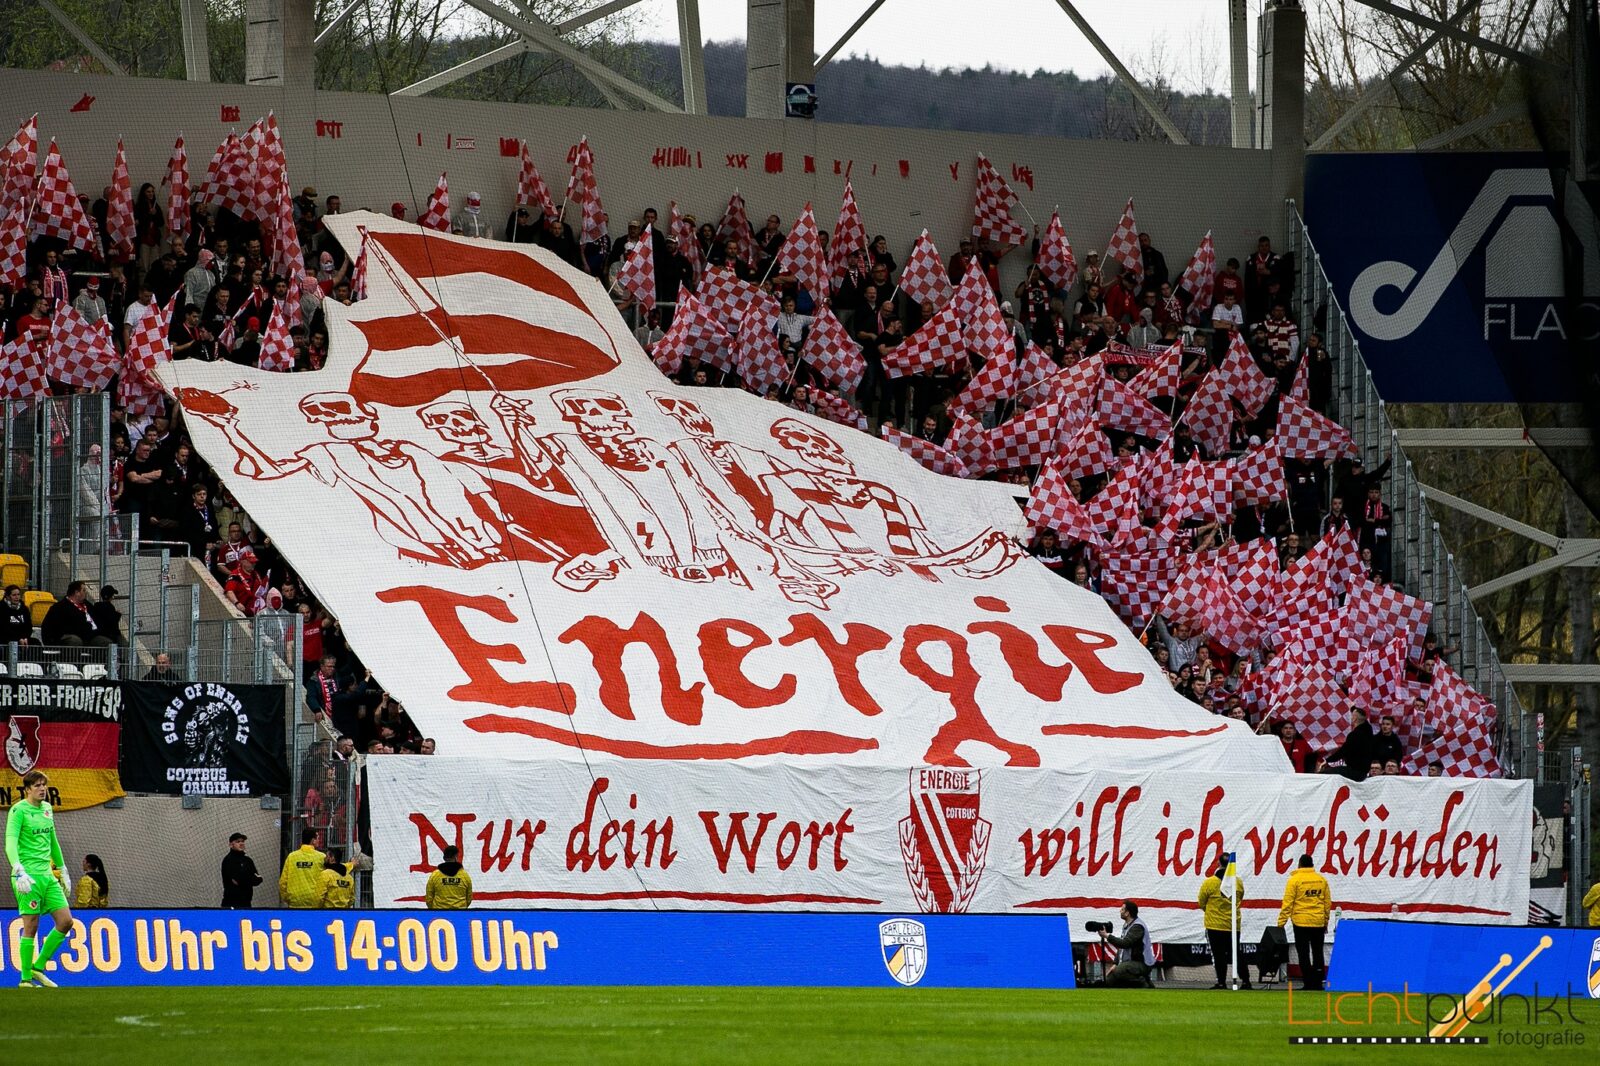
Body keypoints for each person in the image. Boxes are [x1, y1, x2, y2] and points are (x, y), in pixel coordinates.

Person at [5, 770, 76, 987]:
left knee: (66, 921)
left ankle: (38, 967)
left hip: (47, 876)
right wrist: (18, 869)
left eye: (43, 785)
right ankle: (25, 979)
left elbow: (52, 840)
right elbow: (10, 842)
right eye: (37, 785)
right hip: (27, 877)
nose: (42, 789)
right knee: (31, 926)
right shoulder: (18, 811)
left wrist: (63, 869)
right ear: (27, 789)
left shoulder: (47, 809)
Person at [1278, 854, 1332, 990]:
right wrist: (1325, 921)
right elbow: (1327, 903)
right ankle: (1318, 982)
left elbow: (1288, 903)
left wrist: (1281, 923)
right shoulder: (1321, 880)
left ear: (1299, 865)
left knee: (1303, 953)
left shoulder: (1294, 880)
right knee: (1318, 952)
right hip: (1318, 921)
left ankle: (1308, 982)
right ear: (1312, 865)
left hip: (1300, 922)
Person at [1198, 859, 1250, 988]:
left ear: (1218, 864)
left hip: (1214, 925)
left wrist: (1211, 910)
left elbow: (1201, 902)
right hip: (1232, 924)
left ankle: (1221, 982)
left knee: (1218, 955)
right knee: (1236, 953)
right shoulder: (1237, 882)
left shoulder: (1209, 883)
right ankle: (1245, 980)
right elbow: (1240, 898)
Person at [1097, 899, 1155, 988]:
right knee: (1110, 980)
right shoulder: (1127, 926)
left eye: (1122, 909)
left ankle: (1143, 983)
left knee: (1119, 971)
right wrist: (1115, 963)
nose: (1120, 911)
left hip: (1142, 963)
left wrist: (1107, 936)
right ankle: (1140, 982)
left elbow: (1125, 943)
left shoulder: (1137, 927)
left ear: (1127, 913)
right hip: (1131, 963)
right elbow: (1122, 948)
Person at [278, 827, 325, 908]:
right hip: (314, 901)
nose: (319, 840)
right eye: (317, 838)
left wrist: (288, 898)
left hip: (294, 900)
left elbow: (283, 882)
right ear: (313, 840)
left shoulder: (292, 857)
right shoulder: (321, 857)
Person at [221, 831, 263, 908]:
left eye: (243, 841)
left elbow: (258, 879)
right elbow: (237, 880)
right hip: (231, 903)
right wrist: (249, 879)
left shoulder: (248, 860)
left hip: (246, 903)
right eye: (238, 841)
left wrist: (246, 880)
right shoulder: (228, 860)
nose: (241, 843)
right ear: (231, 845)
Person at [424, 845, 472, 910]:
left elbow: (429, 898)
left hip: (440, 913)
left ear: (444, 858)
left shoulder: (435, 875)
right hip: (460, 913)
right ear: (456, 857)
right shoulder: (464, 875)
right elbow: (469, 898)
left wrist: (434, 910)